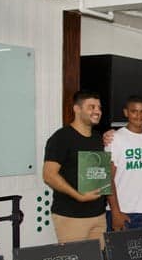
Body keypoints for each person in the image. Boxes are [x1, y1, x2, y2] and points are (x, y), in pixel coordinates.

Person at [43, 91, 108, 244]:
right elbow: (49, 175)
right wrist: (79, 196)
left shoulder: (99, 138)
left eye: (99, 107)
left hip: (98, 215)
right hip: (71, 216)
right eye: (91, 107)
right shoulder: (61, 137)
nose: (97, 111)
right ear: (77, 109)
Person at [106, 95, 142, 231]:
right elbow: (107, 178)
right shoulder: (115, 139)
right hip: (123, 211)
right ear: (126, 112)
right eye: (134, 111)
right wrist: (115, 212)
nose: (139, 115)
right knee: (119, 252)